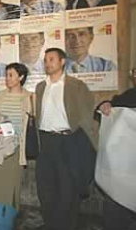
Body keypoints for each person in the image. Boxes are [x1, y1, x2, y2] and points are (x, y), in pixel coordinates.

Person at [35, 48, 95, 230]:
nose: (47, 63)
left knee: (68, 190)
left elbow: (86, 116)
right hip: (46, 143)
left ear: (62, 62)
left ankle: (67, 226)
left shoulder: (76, 86)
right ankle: (51, 225)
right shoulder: (40, 87)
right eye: (45, 60)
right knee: (46, 188)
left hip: (68, 141)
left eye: (51, 59)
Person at [0, 63, 31, 228]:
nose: (7, 78)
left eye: (11, 75)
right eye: (6, 74)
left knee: (11, 190)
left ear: (21, 77)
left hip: (16, 150)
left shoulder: (29, 98)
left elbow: (32, 123)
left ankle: (7, 223)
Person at [95, 67, 136, 230]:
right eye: (134, 73)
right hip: (124, 171)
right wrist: (104, 105)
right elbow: (108, 107)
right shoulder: (130, 95)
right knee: (115, 210)